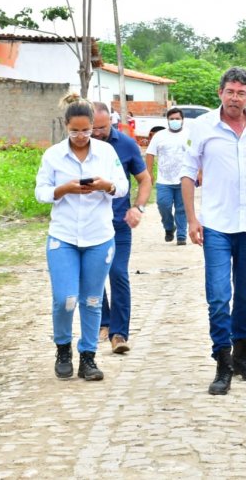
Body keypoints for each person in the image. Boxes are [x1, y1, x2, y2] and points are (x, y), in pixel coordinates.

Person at [180, 67, 246, 396]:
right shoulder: (203, 126)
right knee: (219, 296)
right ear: (220, 93)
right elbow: (186, 174)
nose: (235, 97)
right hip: (217, 226)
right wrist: (192, 219)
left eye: (241, 92)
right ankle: (222, 362)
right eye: (230, 91)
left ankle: (242, 357)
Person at [35, 93, 129, 381]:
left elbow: (123, 187)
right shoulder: (53, 155)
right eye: (74, 131)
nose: (80, 136)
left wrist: (106, 185)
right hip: (63, 236)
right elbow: (41, 193)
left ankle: (88, 356)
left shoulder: (106, 153)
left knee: (91, 299)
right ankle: (63, 348)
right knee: (65, 298)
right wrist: (64, 189)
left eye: (86, 130)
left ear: (93, 126)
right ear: (66, 126)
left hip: (98, 236)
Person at [91, 102, 152, 354]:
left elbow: (145, 179)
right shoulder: (80, 146)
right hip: (91, 224)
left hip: (119, 224)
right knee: (94, 276)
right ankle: (103, 322)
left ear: (111, 122)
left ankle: (119, 333)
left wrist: (138, 207)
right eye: (92, 128)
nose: (96, 133)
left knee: (118, 273)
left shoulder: (126, 145)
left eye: (101, 128)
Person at [146, 108, 190, 245]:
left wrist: (199, 172)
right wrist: (149, 174)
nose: (175, 121)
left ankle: (181, 236)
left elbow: (196, 154)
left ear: (183, 120)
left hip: (184, 179)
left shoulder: (189, 135)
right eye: (172, 119)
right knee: (163, 205)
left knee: (182, 208)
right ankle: (169, 227)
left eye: (177, 119)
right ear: (167, 121)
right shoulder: (159, 136)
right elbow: (150, 154)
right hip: (164, 180)